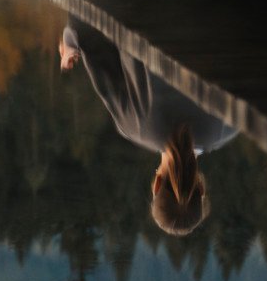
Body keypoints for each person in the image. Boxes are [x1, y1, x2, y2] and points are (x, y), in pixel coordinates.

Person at [59, 23, 234, 236]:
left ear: (201, 188)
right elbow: (86, 33)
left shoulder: (228, 127)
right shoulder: (134, 127)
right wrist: (70, 44)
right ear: (156, 185)